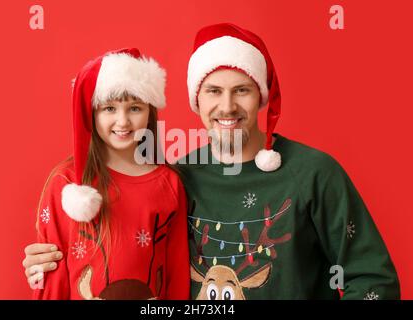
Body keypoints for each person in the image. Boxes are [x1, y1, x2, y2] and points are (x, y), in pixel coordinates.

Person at [23, 24, 400, 300]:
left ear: (263, 97)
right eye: (214, 91)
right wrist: (50, 259)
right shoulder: (175, 180)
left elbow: (372, 279)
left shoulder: (314, 174)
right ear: (197, 101)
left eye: (242, 91)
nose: (227, 107)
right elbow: (125, 243)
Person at [28, 48, 190, 300]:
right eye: (109, 109)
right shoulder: (67, 183)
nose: (123, 121)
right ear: (92, 113)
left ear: (150, 112)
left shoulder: (169, 184)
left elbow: (176, 276)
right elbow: (50, 274)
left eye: (135, 108)